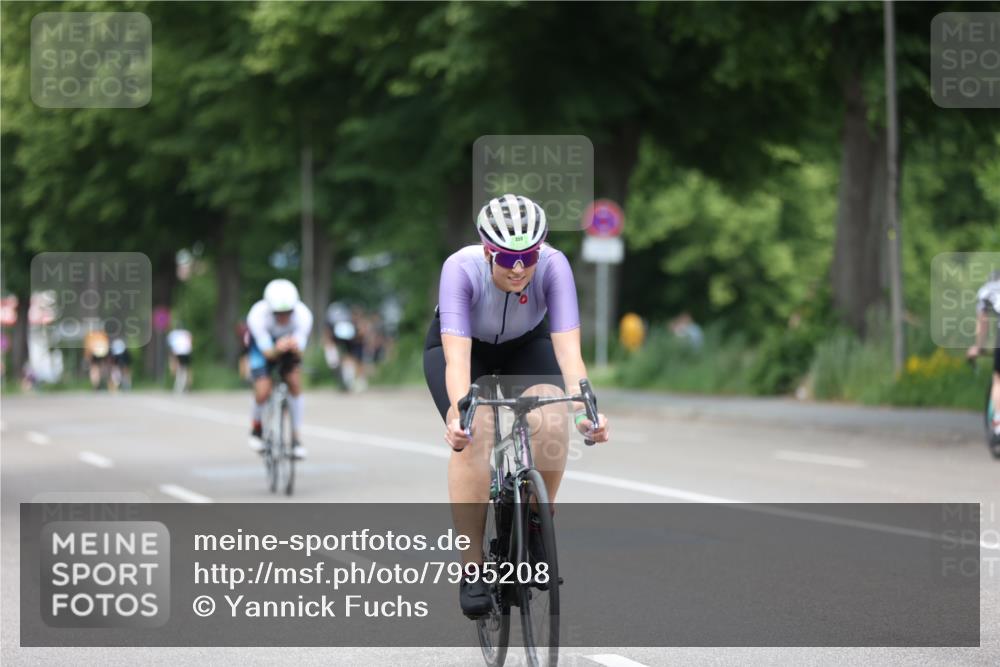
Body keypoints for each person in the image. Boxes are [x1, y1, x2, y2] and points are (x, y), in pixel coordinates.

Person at [422, 193, 610, 618]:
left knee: (553, 411)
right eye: (508, 258)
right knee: (476, 430)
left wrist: (585, 412)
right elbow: (457, 358)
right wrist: (459, 412)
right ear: (489, 252)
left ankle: (537, 523)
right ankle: (472, 567)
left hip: (526, 345)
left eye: (528, 255)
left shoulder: (554, 265)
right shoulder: (460, 268)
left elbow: (568, 353)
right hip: (465, 350)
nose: (520, 268)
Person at [246, 279, 313, 459]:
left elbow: (300, 352)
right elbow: (267, 352)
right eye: (278, 313)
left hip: (288, 346)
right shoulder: (257, 315)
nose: (283, 317)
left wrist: (293, 347)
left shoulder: (303, 315)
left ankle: (296, 438)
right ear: (270, 310)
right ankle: (256, 428)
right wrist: (277, 348)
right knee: (263, 389)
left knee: (295, 383)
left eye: (288, 312)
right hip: (263, 348)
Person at [967, 269, 1000, 436]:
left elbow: (983, 322)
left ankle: (998, 423)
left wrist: (978, 347)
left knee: (998, 379)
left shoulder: (986, 290)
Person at [166, 327, 193, 392]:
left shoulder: (173, 334)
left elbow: (169, 344)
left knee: (176, 369)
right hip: (186, 352)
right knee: (186, 369)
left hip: (177, 352)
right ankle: (186, 386)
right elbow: (191, 340)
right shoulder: (187, 332)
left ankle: (179, 386)